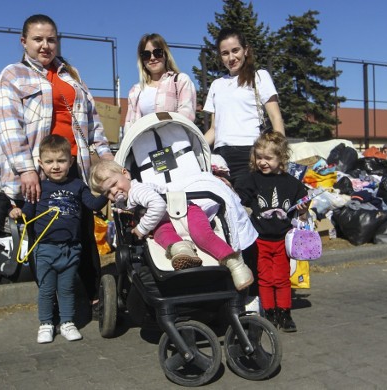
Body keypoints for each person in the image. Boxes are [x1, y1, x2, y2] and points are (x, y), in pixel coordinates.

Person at [0, 14, 114, 316]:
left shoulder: (70, 75)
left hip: (76, 168)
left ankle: (94, 300)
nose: (45, 45)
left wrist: (107, 161)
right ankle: (54, 303)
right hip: (40, 171)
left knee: (83, 234)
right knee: (46, 238)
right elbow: (9, 128)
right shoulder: (12, 75)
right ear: (24, 42)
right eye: (38, 39)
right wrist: (27, 169)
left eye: (51, 39)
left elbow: (93, 123)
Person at [90, 160, 254, 290]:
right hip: (165, 221)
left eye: (114, 184)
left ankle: (236, 264)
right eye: (107, 192)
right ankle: (182, 251)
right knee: (162, 234)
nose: (113, 192)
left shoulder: (137, 190)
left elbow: (158, 205)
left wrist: (141, 228)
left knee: (202, 235)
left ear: (125, 174)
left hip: (186, 210)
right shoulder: (125, 200)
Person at [9, 135, 108, 343]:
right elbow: (27, 213)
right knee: (46, 289)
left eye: (61, 161)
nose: (55, 166)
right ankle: (45, 323)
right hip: (45, 249)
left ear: (71, 162)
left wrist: (108, 192)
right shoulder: (38, 188)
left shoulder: (78, 185)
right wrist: (17, 212)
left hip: (71, 249)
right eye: (49, 162)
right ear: (41, 164)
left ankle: (67, 322)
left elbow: (93, 205)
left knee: (67, 288)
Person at [235, 132, 309, 332]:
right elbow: (238, 196)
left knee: (283, 277)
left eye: (268, 158)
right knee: (265, 278)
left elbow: (304, 200)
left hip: (283, 239)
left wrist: (304, 209)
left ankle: (284, 313)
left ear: (282, 157)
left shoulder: (291, 182)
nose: (262, 162)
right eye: (259, 157)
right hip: (260, 240)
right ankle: (268, 313)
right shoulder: (252, 179)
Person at [203, 27, 285, 188]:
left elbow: (276, 118)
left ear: (245, 50)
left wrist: (279, 153)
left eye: (235, 50)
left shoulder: (259, 76)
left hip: (249, 154)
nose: (231, 57)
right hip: (220, 158)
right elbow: (214, 128)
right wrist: (194, 148)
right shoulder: (216, 85)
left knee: (245, 204)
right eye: (225, 53)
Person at [124, 33, 197, 131]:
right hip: (146, 144)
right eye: (146, 55)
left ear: (166, 55)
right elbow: (129, 126)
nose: (152, 58)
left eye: (157, 52)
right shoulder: (135, 91)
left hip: (176, 143)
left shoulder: (180, 81)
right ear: (142, 60)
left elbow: (187, 115)